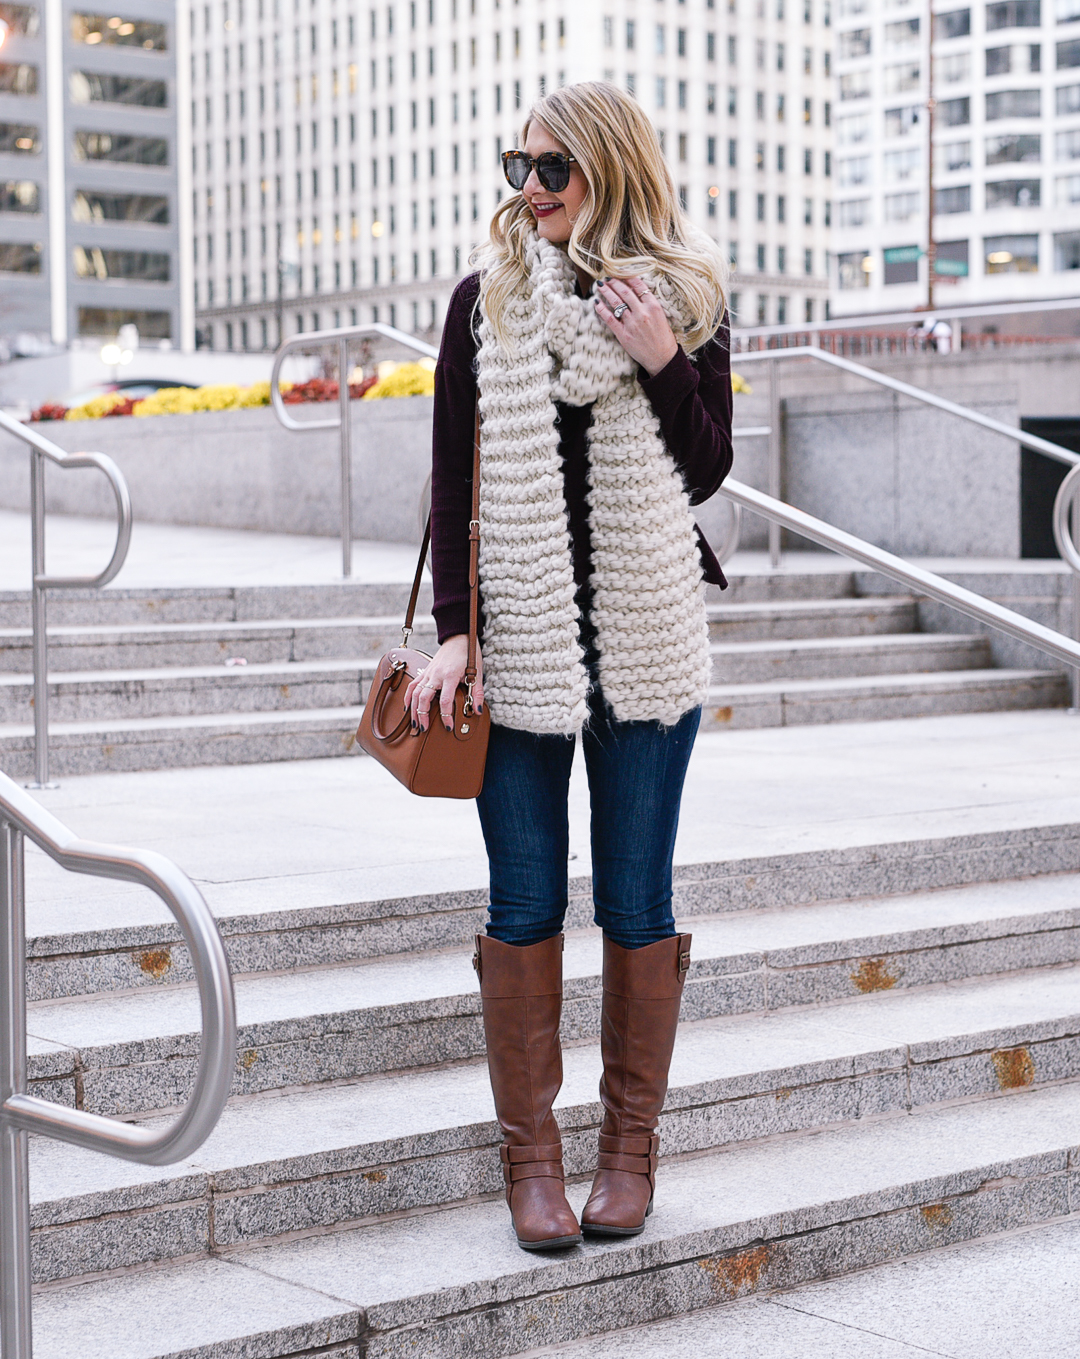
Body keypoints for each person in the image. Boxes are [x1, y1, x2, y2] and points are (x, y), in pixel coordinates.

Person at [406, 81, 734, 1251]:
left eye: (554, 170)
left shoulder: (685, 301)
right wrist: (457, 629)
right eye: (519, 167)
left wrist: (661, 359)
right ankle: (532, 1167)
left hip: (645, 648)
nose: (530, 190)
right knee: (525, 900)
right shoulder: (484, 304)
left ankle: (626, 1156)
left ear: (613, 172)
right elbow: (454, 478)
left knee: (639, 901)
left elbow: (705, 471)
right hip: (524, 654)